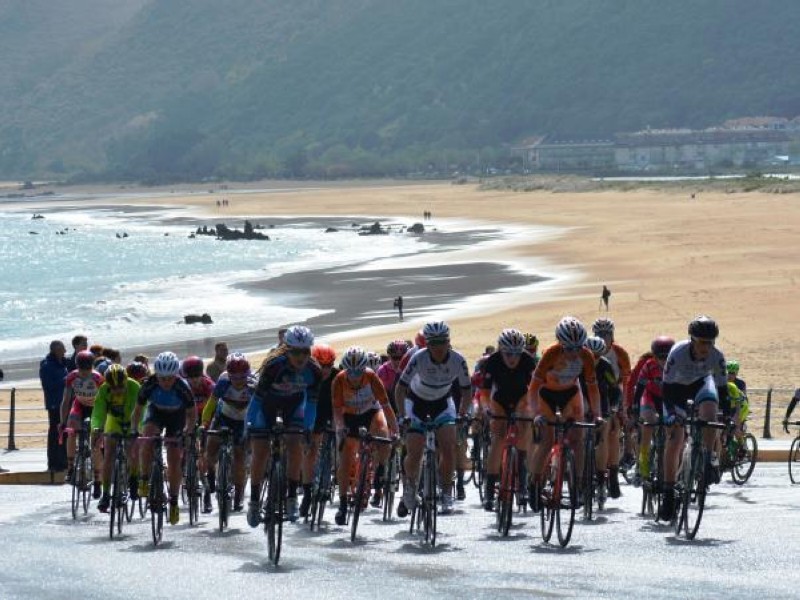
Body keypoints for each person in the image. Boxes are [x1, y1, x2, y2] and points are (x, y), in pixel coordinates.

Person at [246, 325, 322, 527]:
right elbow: (256, 399)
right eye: (296, 351)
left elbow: (313, 404)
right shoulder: (274, 366)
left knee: (295, 443)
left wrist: (308, 428)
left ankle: (291, 498)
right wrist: (249, 425)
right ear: (287, 350)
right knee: (260, 451)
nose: (301, 357)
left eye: (305, 351)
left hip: (294, 406)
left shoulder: (314, 371)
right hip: (267, 405)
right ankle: (254, 501)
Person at [395, 321, 471, 516]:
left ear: (449, 342)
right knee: (414, 452)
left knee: (449, 447)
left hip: (443, 403)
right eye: (434, 343)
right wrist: (403, 415)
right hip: (416, 402)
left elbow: (466, 391)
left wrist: (463, 413)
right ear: (427, 344)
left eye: (442, 342)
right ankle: (410, 487)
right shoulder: (418, 358)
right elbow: (400, 389)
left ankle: (446, 492)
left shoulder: (458, 360)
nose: (438, 347)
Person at [659, 315, 728, 522]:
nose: (706, 347)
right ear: (692, 340)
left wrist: (727, 417)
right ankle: (669, 493)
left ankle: (706, 458)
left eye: (710, 343)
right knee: (675, 440)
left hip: (701, 386)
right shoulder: (677, 353)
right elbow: (667, 389)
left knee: (710, 413)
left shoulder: (717, 357)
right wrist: (671, 414)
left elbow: (723, 391)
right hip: (676, 392)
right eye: (701, 342)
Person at [528, 317, 600, 512]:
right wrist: (535, 413)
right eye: (569, 349)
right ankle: (533, 484)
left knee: (578, 439)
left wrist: (598, 414)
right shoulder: (550, 354)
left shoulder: (586, 356)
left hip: (570, 393)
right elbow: (533, 388)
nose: (574, 353)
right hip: (546, 394)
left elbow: (593, 389)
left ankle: (576, 487)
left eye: (578, 348)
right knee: (547, 440)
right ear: (560, 343)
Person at [332, 347, 398, 525]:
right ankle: (343, 504)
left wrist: (395, 430)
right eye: (350, 372)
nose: (354, 375)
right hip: (349, 416)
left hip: (371, 412)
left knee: (384, 435)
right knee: (345, 460)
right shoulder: (338, 380)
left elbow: (385, 405)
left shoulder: (371, 377)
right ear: (345, 369)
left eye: (358, 371)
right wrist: (340, 427)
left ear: (364, 369)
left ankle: (380, 470)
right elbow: (337, 411)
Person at [132, 351, 196, 526]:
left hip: (177, 416)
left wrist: (187, 431)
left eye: (169, 378)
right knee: (147, 439)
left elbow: (192, 414)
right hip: (156, 413)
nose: (166, 382)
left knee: (174, 459)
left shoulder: (183, 387)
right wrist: (133, 430)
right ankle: (144, 478)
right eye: (162, 378)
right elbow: (138, 410)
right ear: (156, 375)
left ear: (176, 375)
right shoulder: (149, 384)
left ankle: (174, 501)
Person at [480, 329, 537, 511]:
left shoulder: (528, 361)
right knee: (498, 438)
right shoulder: (493, 361)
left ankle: (522, 483)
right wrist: (487, 409)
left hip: (521, 397)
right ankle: (489, 489)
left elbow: (535, 388)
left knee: (525, 426)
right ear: (500, 350)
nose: (512, 358)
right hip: (499, 400)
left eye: (516, 353)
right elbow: (485, 393)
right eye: (508, 353)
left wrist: (535, 410)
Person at [202, 353, 254, 513]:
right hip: (223, 416)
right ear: (229, 375)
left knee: (239, 456)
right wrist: (204, 424)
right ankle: (209, 478)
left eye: (242, 378)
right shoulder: (223, 382)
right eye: (235, 378)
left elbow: (260, 408)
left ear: (248, 375)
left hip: (243, 421)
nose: (238, 382)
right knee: (210, 446)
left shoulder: (253, 385)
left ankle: (238, 495)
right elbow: (210, 405)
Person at [91, 364, 141, 512]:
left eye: (120, 387)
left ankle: (133, 478)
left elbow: (142, 409)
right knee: (109, 456)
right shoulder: (104, 389)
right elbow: (98, 412)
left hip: (133, 421)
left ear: (126, 381)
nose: (117, 390)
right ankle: (106, 494)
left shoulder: (135, 387)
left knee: (132, 451)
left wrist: (138, 428)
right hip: (114, 422)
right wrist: (96, 428)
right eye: (113, 388)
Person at [591, 317, 631, 498]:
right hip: (592, 392)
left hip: (613, 392)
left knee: (613, 433)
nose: (603, 337)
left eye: (606, 334)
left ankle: (613, 477)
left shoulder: (619, 352)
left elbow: (626, 380)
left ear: (612, 335)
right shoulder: (588, 350)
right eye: (600, 334)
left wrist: (623, 406)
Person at [629, 337, 674, 487]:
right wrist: (635, 406)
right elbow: (639, 388)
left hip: (668, 399)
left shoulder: (676, 366)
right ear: (654, 356)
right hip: (650, 397)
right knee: (648, 425)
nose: (663, 360)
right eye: (660, 357)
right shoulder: (648, 365)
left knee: (672, 429)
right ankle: (643, 462)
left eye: (667, 356)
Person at [300, 344, 338, 518]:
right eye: (321, 366)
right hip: (311, 414)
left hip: (332, 413)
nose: (325, 370)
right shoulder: (307, 375)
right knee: (310, 451)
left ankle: (334, 476)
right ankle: (307, 493)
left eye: (328, 366)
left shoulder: (338, 376)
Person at [60, 350, 105, 496]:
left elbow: (105, 402)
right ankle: (71, 467)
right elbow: (66, 400)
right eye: (81, 369)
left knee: (96, 445)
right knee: (71, 430)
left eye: (87, 369)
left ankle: (98, 481)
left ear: (92, 366)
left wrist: (103, 425)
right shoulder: (71, 377)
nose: (84, 373)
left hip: (96, 409)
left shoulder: (98, 378)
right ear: (77, 366)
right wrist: (62, 422)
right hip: (80, 406)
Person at [181, 356, 215, 512]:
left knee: (204, 454)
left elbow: (214, 407)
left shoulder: (209, 385)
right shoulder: (182, 385)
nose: (194, 381)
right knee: (184, 444)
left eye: (197, 377)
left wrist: (205, 425)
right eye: (191, 378)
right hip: (187, 415)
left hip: (205, 417)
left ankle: (207, 493)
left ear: (202, 374)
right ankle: (185, 463)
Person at [39, 340, 69, 474]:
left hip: (63, 403)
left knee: (64, 432)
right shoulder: (47, 365)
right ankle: (54, 463)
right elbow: (48, 386)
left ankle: (62, 462)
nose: (65, 351)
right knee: (55, 433)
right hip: (54, 404)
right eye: (63, 349)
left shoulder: (61, 363)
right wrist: (66, 379)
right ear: (56, 350)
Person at [376, 340, 409, 414]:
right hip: (390, 405)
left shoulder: (412, 366)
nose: (398, 361)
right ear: (389, 357)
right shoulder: (382, 370)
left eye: (401, 358)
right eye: (395, 358)